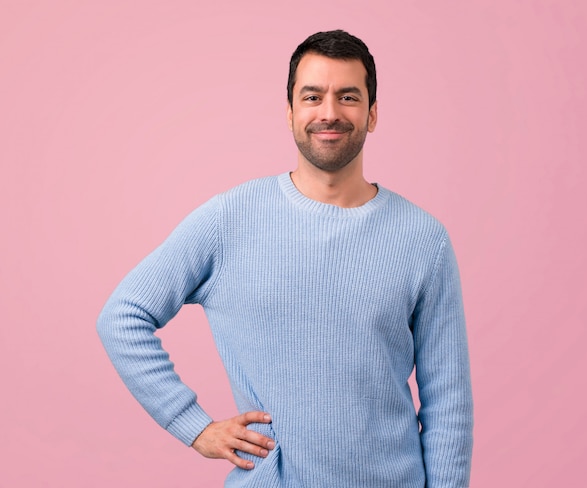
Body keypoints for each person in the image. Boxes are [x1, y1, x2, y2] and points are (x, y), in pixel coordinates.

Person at [97, 29, 473, 487]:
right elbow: (123, 316)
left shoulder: (423, 240)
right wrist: (194, 427)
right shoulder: (230, 219)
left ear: (372, 114)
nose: (329, 112)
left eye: (348, 97)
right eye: (312, 96)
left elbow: (447, 400)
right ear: (290, 112)